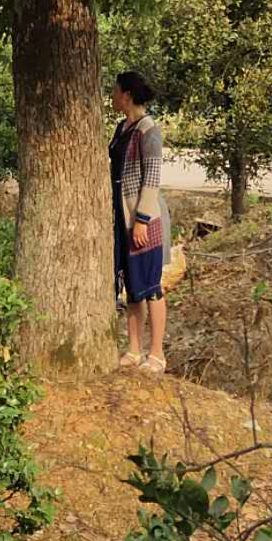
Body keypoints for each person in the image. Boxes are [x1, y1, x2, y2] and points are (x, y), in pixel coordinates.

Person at [110, 68, 170, 374]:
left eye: (115, 90)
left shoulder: (149, 130)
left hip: (142, 219)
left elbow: (153, 178)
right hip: (122, 217)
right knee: (132, 286)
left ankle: (156, 354)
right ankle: (134, 349)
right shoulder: (122, 128)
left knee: (150, 285)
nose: (112, 95)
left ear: (127, 95)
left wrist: (143, 220)